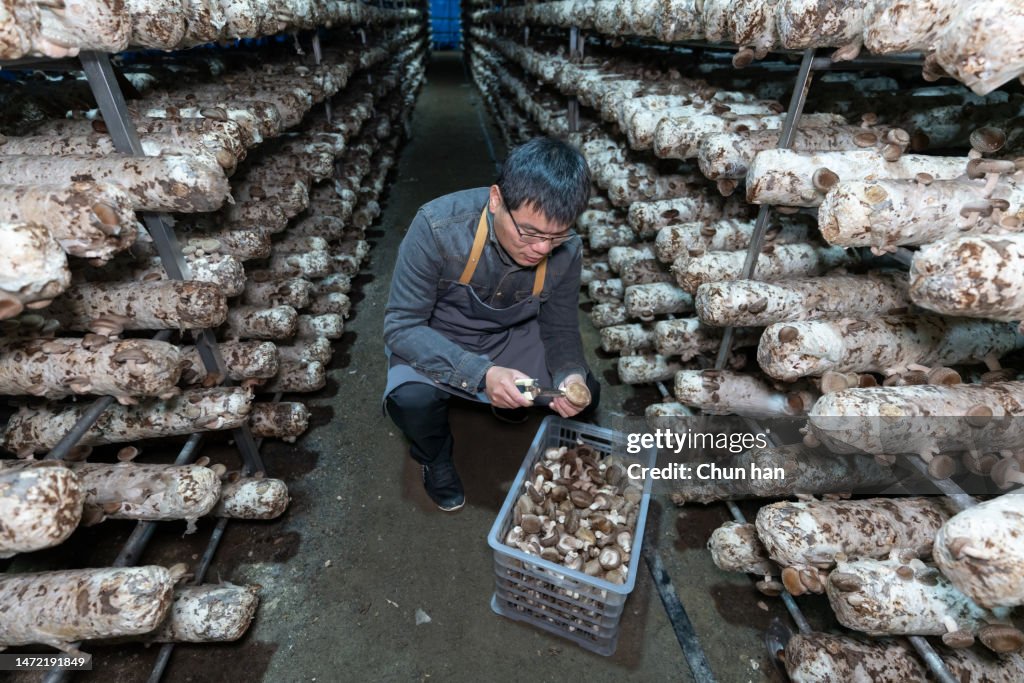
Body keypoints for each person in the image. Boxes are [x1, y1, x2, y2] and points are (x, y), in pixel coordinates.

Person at [382, 137, 601, 512]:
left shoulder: (567, 249)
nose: (542, 249)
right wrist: (482, 374)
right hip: (439, 336)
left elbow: (560, 328)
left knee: (588, 393)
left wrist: (570, 375)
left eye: (556, 235)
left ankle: (513, 400)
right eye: (530, 233)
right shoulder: (437, 228)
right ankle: (434, 458)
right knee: (410, 401)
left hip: (511, 337)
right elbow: (402, 326)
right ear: (496, 199)